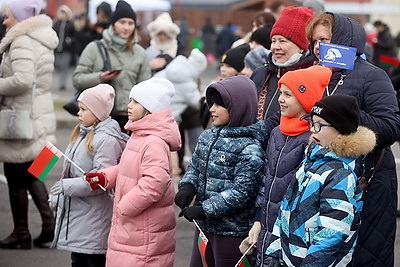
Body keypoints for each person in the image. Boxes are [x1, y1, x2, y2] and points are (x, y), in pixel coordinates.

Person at [306, 12, 400, 266]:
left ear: (344, 40)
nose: (317, 47)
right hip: (321, 185)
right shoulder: (313, 75)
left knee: (365, 255)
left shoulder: (373, 75)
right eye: (314, 41)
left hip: (366, 183)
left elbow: (390, 128)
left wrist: (347, 112)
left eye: (324, 39)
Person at [266, 94, 376, 266]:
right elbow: (285, 208)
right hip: (290, 260)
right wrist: (275, 250)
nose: (312, 130)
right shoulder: (311, 159)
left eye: (319, 125)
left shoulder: (341, 175)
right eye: (312, 123)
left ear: (340, 132)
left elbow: (332, 233)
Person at [239, 65, 332, 266]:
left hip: (292, 235)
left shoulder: (312, 139)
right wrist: (257, 221)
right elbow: (267, 180)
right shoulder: (277, 133)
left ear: (306, 99)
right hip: (265, 228)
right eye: (281, 93)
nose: (280, 99)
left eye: (288, 95)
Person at [85, 77, 181, 267]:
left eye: (136, 102)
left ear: (149, 108)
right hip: (134, 226)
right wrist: (105, 177)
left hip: (143, 229)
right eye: (130, 100)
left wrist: (124, 205)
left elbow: (154, 183)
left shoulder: (153, 142)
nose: (129, 106)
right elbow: (128, 168)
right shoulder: (139, 135)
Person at [175, 75, 268, 267]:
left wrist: (204, 209)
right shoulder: (207, 136)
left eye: (219, 105)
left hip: (231, 233)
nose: (211, 109)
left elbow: (241, 192)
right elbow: (195, 166)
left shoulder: (250, 147)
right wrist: (188, 186)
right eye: (211, 104)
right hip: (204, 228)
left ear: (237, 107)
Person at [0, 0, 59, 249]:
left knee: (16, 173)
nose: (4, 21)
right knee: (34, 170)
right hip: (38, 113)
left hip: (21, 117)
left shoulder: (21, 39)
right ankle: (48, 226)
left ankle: (22, 232)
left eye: (7, 16)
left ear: (20, 16)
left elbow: (23, 79)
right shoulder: (41, 38)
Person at [49, 84, 128, 266]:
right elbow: (71, 170)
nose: (79, 113)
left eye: (84, 109)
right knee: (78, 261)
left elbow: (100, 181)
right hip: (81, 217)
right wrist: (59, 196)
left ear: (98, 113)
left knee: (90, 262)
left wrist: (66, 187)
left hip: (94, 221)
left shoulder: (106, 140)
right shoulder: (82, 133)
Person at [73, 0, 151, 132]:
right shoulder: (94, 48)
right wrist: (100, 77)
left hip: (129, 120)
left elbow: (146, 91)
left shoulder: (140, 53)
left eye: (130, 23)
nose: (126, 27)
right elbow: (77, 80)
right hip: (98, 119)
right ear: (113, 24)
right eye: (122, 22)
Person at [251, 6, 314, 121]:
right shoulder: (261, 73)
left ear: (301, 47)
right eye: (273, 41)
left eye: (282, 41)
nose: (276, 47)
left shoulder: (311, 78)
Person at [154, 48, 208, 175]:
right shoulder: (187, 81)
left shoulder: (174, 67)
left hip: (156, 113)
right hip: (169, 119)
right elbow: (197, 103)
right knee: (170, 158)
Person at [53, 5, 76, 91]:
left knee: (64, 66)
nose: (63, 14)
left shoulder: (70, 24)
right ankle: (60, 81)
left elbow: (74, 36)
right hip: (58, 49)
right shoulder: (57, 23)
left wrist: (70, 41)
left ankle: (62, 83)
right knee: (58, 65)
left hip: (67, 49)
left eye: (64, 13)